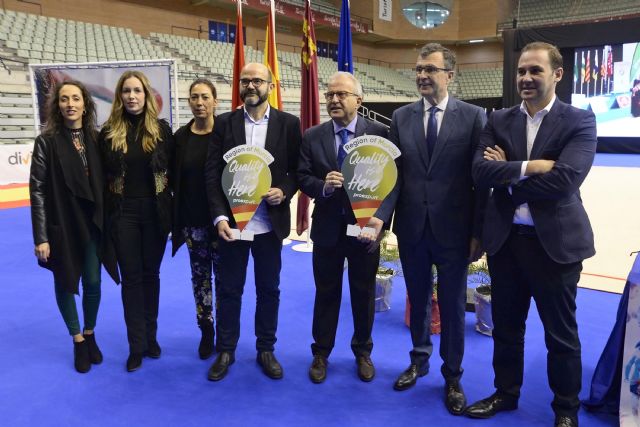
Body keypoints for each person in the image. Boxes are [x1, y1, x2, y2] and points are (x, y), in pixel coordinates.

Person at [465, 42, 597, 427]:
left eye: (535, 71)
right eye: (521, 70)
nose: (525, 78)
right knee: (506, 329)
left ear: (557, 74)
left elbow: (565, 180)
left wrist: (508, 175)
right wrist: (532, 166)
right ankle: (505, 394)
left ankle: (565, 410)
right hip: (506, 244)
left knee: (561, 335)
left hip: (554, 247)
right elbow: (479, 172)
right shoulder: (499, 119)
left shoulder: (579, 121)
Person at [384, 43, 487, 415]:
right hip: (412, 228)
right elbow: (392, 176)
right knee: (418, 297)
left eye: (430, 69)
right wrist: (380, 219)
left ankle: (453, 375)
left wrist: (479, 231)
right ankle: (419, 360)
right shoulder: (400, 117)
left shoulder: (474, 117)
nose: (422, 76)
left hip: (456, 231)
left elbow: (482, 182)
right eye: (418, 69)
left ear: (450, 75)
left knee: (454, 304)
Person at [205, 63, 301, 381]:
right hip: (234, 226)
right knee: (230, 289)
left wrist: (283, 191)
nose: (250, 85)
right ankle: (226, 349)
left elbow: (295, 171)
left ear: (270, 86)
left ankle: (265, 348)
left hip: (269, 225)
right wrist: (220, 216)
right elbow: (212, 174)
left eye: (257, 80)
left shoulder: (289, 124)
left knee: (268, 290)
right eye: (245, 80)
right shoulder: (224, 123)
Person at [297, 71, 389, 384]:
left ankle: (363, 352)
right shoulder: (312, 135)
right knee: (326, 292)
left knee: (363, 293)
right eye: (330, 95)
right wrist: (321, 187)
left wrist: (381, 221)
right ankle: (321, 353)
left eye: (342, 95)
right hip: (326, 230)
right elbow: (302, 176)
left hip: (365, 230)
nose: (334, 100)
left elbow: (393, 183)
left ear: (358, 100)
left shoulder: (380, 133)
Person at [30, 80, 117, 373]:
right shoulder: (47, 142)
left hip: (92, 222)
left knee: (93, 282)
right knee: (66, 282)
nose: (70, 104)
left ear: (85, 103)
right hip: (61, 225)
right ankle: (77, 339)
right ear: (57, 105)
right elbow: (38, 190)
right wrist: (41, 236)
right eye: (64, 99)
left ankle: (90, 333)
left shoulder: (95, 137)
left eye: (75, 98)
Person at [100, 70, 174, 372]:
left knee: (151, 276)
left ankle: (151, 338)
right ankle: (136, 344)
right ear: (120, 96)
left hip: (155, 213)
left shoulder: (162, 130)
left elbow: (175, 172)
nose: (132, 96)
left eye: (137, 91)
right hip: (124, 214)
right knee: (131, 279)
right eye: (127, 91)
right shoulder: (107, 133)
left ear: (147, 95)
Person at [172, 78, 221, 360]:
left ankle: (226, 334)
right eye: (194, 97)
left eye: (204, 97)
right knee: (200, 279)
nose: (199, 102)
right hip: (193, 223)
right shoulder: (180, 138)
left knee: (226, 281)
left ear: (215, 101)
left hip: (224, 223)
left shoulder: (227, 134)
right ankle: (206, 330)